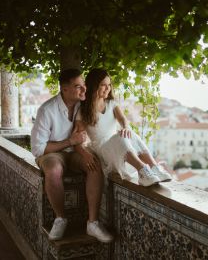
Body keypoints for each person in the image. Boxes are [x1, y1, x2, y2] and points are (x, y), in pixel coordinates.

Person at [31, 69, 113, 243]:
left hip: (75, 151)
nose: (84, 90)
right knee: (53, 170)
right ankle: (60, 219)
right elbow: (38, 149)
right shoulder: (47, 110)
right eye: (78, 86)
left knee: (94, 165)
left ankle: (92, 223)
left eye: (84, 85)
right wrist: (69, 141)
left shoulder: (82, 105)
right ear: (64, 88)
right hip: (51, 152)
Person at [74, 68, 172, 186]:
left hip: (118, 144)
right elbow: (77, 141)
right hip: (103, 151)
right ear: (94, 86)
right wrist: (86, 155)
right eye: (103, 85)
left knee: (129, 133)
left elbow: (123, 120)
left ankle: (154, 167)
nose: (107, 88)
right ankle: (142, 171)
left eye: (109, 85)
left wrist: (125, 127)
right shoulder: (83, 110)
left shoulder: (111, 104)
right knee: (120, 137)